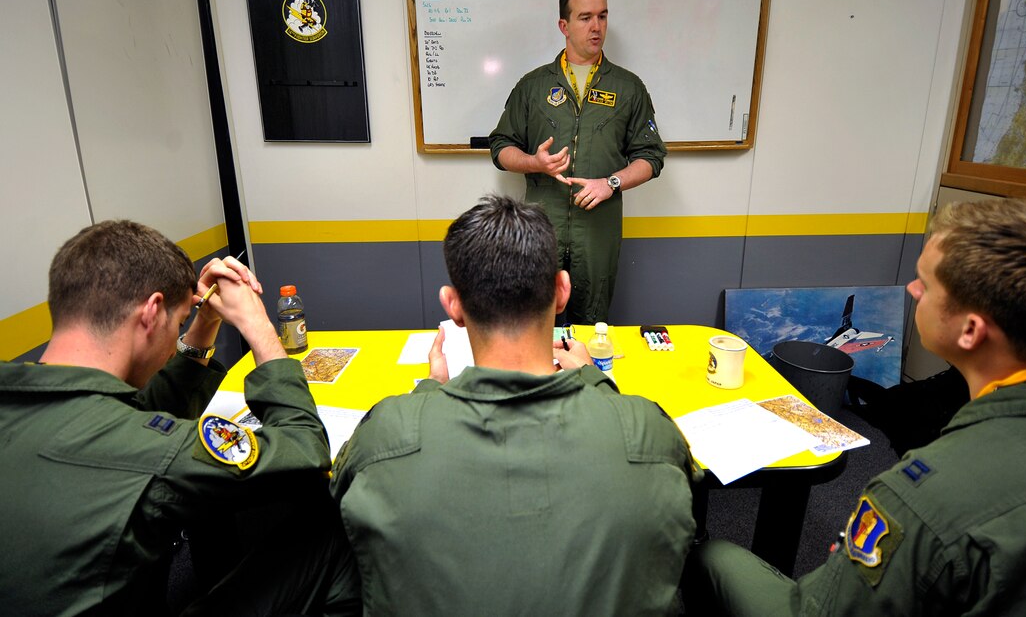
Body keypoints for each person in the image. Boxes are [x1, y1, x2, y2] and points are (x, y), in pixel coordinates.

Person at [682, 198, 1026, 616]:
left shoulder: (925, 494)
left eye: (926, 285)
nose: (912, 290)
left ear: (970, 330)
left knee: (709, 556)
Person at [331, 195, 699, 615]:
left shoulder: (384, 436)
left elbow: (341, 495)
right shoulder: (646, 429)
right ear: (562, 291)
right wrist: (593, 379)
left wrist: (431, 389)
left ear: (453, 306)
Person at [0, 220, 356, 616]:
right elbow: (305, 452)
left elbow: (134, 411)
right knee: (330, 527)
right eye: (179, 322)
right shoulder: (145, 452)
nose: (175, 342)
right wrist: (258, 327)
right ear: (152, 312)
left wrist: (204, 322)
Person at [489, 0, 667, 325]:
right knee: (536, 324)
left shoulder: (628, 88)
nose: (596, 26)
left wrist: (611, 183)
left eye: (602, 16)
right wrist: (534, 162)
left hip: (598, 234)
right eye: (585, 17)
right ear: (564, 26)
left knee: (592, 328)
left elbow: (651, 157)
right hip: (542, 230)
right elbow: (501, 147)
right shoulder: (533, 86)